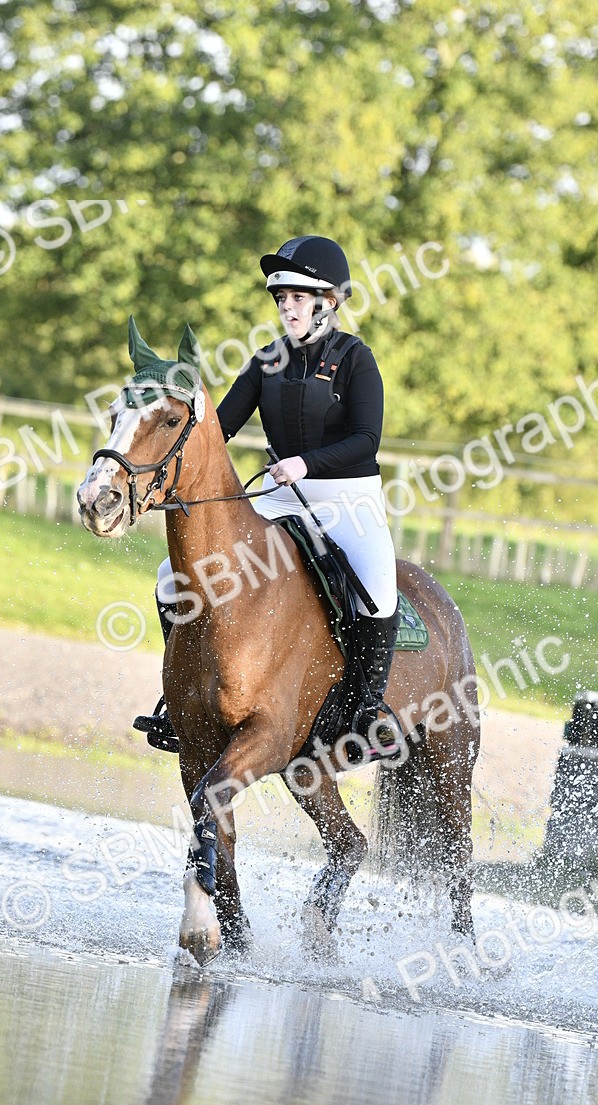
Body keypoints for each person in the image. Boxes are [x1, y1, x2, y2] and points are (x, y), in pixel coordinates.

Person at [135, 235, 400, 752]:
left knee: (377, 590)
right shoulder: (265, 362)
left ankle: (367, 711)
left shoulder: (355, 360)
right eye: (281, 299)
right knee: (172, 577)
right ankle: (181, 694)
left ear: (329, 301)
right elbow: (219, 428)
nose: (287, 308)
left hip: (348, 499)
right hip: (281, 496)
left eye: (298, 298)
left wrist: (306, 463)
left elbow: (368, 439)